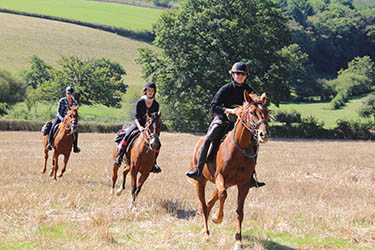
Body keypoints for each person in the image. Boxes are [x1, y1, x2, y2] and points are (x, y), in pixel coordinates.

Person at [185, 62, 265, 188]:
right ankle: (198, 169)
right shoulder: (226, 88)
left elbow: (255, 106)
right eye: (237, 73)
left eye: (243, 74)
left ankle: (250, 177)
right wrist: (230, 111)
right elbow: (213, 106)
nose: (240, 76)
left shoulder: (249, 90)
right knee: (210, 136)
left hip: (240, 124)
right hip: (223, 119)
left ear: (246, 76)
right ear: (232, 74)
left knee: (254, 143)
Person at [113, 82, 161, 173]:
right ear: (146, 91)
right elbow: (136, 117)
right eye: (149, 90)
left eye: (152, 91)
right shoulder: (140, 102)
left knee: (158, 144)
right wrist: (139, 127)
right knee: (127, 136)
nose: (150, 92)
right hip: (138, 124)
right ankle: (119, 157)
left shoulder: (156, 104)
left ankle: (154, 163)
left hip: (149, 127)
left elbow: (155, 118)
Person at [46, 86, 80, 153]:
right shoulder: (62, 100)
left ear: (72, 94)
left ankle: (75, 147)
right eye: (68, 94)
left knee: (76, 131)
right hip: (60, 118)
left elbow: (75, 113)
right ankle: (49, 143)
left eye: (70, 94)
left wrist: (73, 120)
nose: (69, 95)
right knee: (53, 127)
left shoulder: (74, 103)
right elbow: (58, 112)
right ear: (66, 94)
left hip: (69, 120)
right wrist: (62, 119)